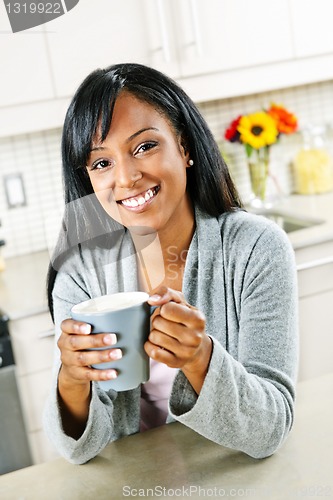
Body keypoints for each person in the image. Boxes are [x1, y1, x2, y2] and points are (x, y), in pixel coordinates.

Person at [43, 63, 298, 465]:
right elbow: (79, 449)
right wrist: (71, 379)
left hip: (233, 476)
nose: (125, 178)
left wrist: (200, 358)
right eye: (101, 163)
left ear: (184, 146)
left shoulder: (256, 248)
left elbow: (270, 429)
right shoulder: (80, 273)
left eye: (144, 146)